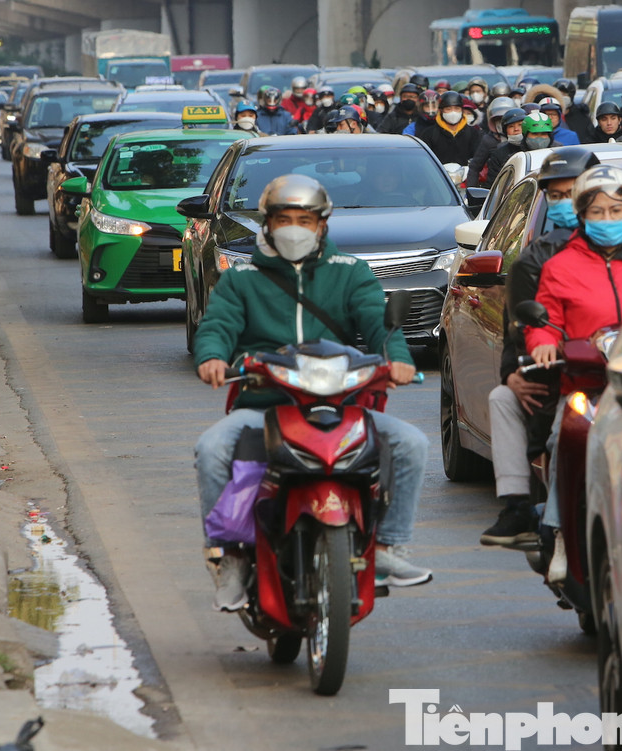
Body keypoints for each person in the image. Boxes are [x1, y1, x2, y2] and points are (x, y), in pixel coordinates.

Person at [192, 175, 432, 608]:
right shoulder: (242, 277)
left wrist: (398, 359)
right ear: (266, 224)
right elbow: (218, 325)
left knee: (411, 443)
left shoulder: (351, 272)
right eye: (284, 219)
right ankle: (230, 558)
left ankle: (390, 548)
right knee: (211, 449)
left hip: (341, 406)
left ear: (323, 225)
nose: (294, 228)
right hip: (264, 405)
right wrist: (212, 356)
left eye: (304, 219)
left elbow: (378, 324)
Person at [526, 164, 622, 581]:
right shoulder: (559, 267)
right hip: (585, 385)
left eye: (616, 211)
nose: (607, 221)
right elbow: (544, 320)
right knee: (566, 437)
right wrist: (543, 341)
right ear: (582, 217)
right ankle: (562, 535)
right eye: (597, 213)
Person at [480, 147, 600, 548]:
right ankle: (527, 512)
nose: (564, 203)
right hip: (562, 377)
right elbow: (523, 330)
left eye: (574, 192)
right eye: (556, 194)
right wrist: (514, 373)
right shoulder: (536, 259)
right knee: (512, 402)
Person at [417, 90, 483, 166]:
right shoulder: (428, 134)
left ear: (461, 110)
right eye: (448, 109)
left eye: (457, 108)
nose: (453, 112)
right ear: (440, 111)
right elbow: (424, 162)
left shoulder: (473, 133)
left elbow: (478, 160)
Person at [486, 110, 554, 182]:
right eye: (535, 134)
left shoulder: (557, 151)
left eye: (543, 134)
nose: (516, 129)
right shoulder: (513, 158)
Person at [468, 96, 519, 187]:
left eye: (507, 120)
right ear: (492, 121)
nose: (502, 123)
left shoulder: (526, 140)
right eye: (499, 120)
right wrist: (472, 192)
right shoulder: (489, 141)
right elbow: (474, 167)